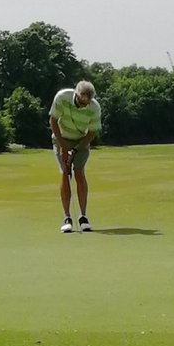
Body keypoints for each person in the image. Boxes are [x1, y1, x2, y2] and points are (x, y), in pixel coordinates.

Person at [49, 80, 101, 234]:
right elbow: (53, 121)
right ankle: (67, 218)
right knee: (65, 172)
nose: (85, 105)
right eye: (82, 102)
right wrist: (64, 147)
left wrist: (77, 149)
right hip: (61, 137)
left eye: (87, 103)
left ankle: (83, 217)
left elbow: (92, 132)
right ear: (77, 95)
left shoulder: (94, 107)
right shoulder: (62, 97)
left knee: (79, 173)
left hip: (81, 140)